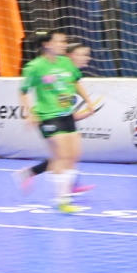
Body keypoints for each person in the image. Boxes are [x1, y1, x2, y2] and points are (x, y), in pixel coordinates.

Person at [15, 30, 94, 212]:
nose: (63, 45)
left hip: (67, 114)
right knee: (62, 156)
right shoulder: (35, 67)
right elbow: (24, 91)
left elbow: (75, 82)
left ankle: (61, 195)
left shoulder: (66, 62)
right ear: (47, 44)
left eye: (64, 41)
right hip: (48, 116)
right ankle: (62, 201)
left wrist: (88, 101)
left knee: (73, 156)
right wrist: (29, 113)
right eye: (59, 41)